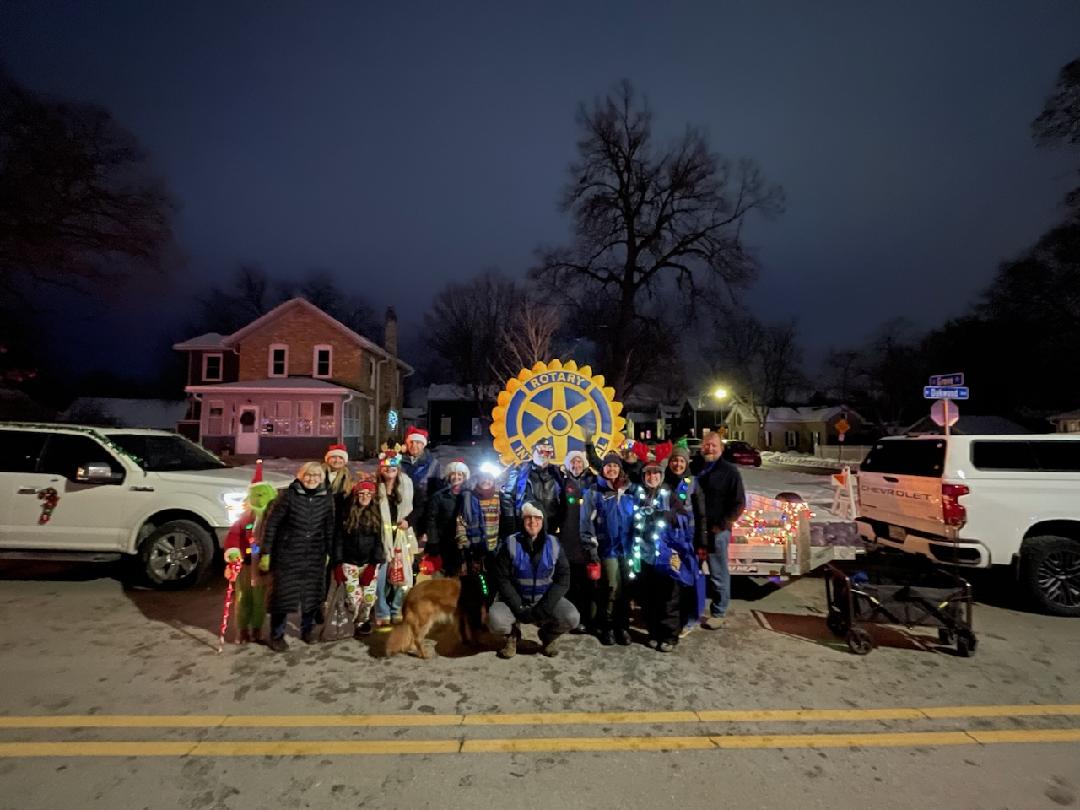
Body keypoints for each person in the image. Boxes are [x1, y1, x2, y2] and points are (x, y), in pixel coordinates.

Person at [260, 461, 335, 652]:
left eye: (316, 476)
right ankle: (277, 634)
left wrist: (329, 552)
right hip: (288, 553)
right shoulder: (288, 495)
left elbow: (329, 527)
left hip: (314, 553)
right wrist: (266, 552)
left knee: (310, 596)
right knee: (283, 596)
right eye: (309, 475)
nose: (312, 479)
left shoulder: (326, 497)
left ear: (322, 478)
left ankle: (307, 630)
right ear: (301, 476)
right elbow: (272, 524)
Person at [488, 500, 579, 659]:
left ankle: (548, 635)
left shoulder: (554, 544)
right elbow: (502, 579)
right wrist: (519, 607)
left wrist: (545, 607)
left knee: (571, 617)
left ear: (543, 521)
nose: (532, 522)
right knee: (495, 620)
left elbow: (563, 579)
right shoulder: (511, 543)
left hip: (544, 599)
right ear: (522, 521)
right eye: (528, 517)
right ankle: (512, 636)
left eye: (537, 517)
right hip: (515, 600)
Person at [634, 450, 696, 652]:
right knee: (649, 596)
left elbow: (684, 517)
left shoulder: (669, 495)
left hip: (667, 556)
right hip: (645, 555)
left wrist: (665, 516)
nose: (652, 477)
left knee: (668, 597)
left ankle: (669, 636)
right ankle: (653, 632)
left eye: (656, 474)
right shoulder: (639, 496)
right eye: (648, 474)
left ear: (661, 476)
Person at [691, 431, 746, 629]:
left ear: (721, 448)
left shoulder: (730, 471)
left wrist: (723, 524)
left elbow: (739, 502)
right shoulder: (695, 467)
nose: (709, 448)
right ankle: (691, 609)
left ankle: (719, 611)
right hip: (695, 528)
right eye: (706, 445)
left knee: (717, 573)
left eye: (714, 445)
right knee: (690, 570)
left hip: (717, 531)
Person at [580, 451, 635, 646]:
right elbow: (586, 524)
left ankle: (623, 627)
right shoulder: (594, 493)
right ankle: (607, 626)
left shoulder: (630, 491)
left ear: (620, 469)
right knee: (611, 587)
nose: (612, 469)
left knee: (626, 589)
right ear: (602, 469)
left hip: (627, 549)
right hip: (607, 549)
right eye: (608, 466)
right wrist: (592, 548)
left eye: (615, 466)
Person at [222, 471, 278, 644]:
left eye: (263, 495)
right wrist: (233, 551)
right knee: (243, 598)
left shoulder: (274, 518)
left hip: (263, 566)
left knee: (260, 601)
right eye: (256, 495)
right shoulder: (245, 518)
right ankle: (242, 629)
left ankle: (257, 629)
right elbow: (234, 535)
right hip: (246, 565)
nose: (259, 499)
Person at [331, 473, 384, 637]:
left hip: (368, 562)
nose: (365, 497)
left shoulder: (376, 515)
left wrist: (374, 564)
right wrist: (338, 563)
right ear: (356, 495)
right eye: (362, 493)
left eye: (368, 494)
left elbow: (378, 542)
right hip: (349, 561)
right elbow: (339, 539)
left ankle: (363, 621)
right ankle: (352, 619)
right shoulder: (347, 514)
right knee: (355, 598)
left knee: (368, 599)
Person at [665, 438, 708, 635]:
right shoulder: (663, 482)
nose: (678, 464)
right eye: (675, 460)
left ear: (687, 463)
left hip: (688, 540)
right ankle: (672, 619)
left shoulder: (692, 484)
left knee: (689, 580)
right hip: (668, 539)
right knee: (672, 581)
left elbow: (701, 515)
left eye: (681, 461)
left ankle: (690, 618)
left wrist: (702, 542)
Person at [373, 448, 415, 628]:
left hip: (401, 536)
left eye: (393, 466)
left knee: (403, 576)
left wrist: (409, 521)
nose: (389, 470)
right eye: (385, 467)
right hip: (381, 538)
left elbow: (417, 507)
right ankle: (382, 610)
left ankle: (397, 608)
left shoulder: (407, 483)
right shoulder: (375, 486)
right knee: (380, 578)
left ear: (398, 468)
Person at [559, 449, 598, 632]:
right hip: (568, 539)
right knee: (571, 581)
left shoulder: (592, 482)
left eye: (579, 462)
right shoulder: (563, 482)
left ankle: (588, 618)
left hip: (586, 540)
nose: (576, 465)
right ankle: (572, 619)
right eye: (573, 462)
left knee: (588, 582)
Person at [502, 436, 563, 531]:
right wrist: (511, 524)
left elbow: (562, 498)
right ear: (533, 452)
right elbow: (508, 497)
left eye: (548, 452)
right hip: (527, 524)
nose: (544, 455)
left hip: (550, 524)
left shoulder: (556, 472)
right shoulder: (520, 470)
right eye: (541, 451)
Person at [424, 458, 469, 576]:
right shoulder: (439, 497)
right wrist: (433, 542)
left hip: (462, 544)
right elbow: (431, 520)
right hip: (443, 543)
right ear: (448, 476)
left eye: (460, 474)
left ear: (464, 477)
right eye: (453, 474)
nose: (456, 477)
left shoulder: (469, 496)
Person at [400, 427, 440, 546]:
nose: (414, 446)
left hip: (422, 511)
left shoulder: (433, 464)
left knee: (418, 547)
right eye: (411, 442)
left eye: (418, 443)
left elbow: (435, 492)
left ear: (423, 445)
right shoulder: (398, 461)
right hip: (402, 510)